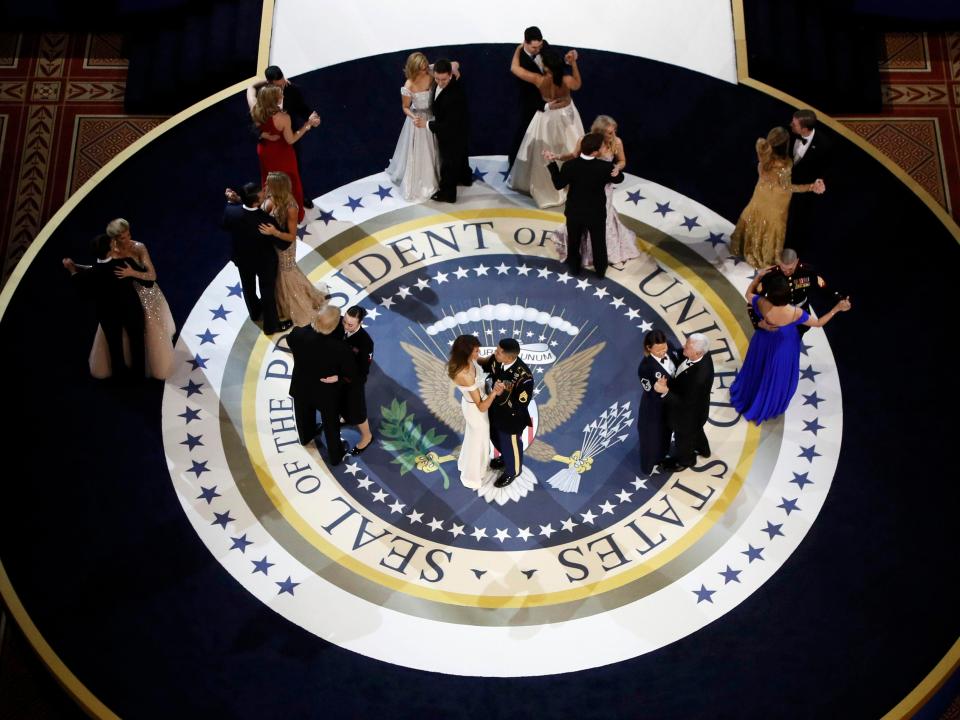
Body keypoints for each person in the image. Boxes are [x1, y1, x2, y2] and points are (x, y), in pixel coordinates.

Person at [730, 272, 851, 424]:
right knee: (775, 375)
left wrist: (759, 276)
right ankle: (767, 404)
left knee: (758, 367)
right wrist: (836, 309)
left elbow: (748, 294)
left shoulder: (762, 303)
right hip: (785, 346)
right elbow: (819, 323)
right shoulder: (795, 312)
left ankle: (749, 396)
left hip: (763, 340)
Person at [729, 126, 824, 269]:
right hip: (776, 203)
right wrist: (810, 187)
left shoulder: (763, 156)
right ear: (786, 145)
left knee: (754, 218)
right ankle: (761, 255)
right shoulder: (785, 165)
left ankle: (744, 248)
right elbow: (788, 187)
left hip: (760, 197)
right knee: (771, 227)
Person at [552, 115, 640, 269]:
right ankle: (582, 253)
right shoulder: (585, 140)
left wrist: (617, 168)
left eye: (614, 131)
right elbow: (573, 156)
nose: (613, 135)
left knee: (602, 221)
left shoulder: (616, 142)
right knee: (580, 220)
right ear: (599, 133)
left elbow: (622, 161)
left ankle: (603, 256)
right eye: (610, 133)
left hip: (603, 189)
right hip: (582, 187)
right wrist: (557, 156)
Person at [507, 44, 583, 208]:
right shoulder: (566, 80)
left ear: (546, 67)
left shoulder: (539, 79)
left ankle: (544, 186)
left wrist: (520, 48)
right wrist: (574, 64)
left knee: (543, 151)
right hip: (567, 117)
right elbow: (577, 85)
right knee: (571, 146)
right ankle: (572, 183)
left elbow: (514, 68)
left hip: (546, 118)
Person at [63, 234, 146, 381]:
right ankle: (138, 375)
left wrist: (72, 269)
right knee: (137, 343)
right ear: (110, 249)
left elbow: (82, 289)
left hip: (107, 315)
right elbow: (148, 282)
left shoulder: (91, 273)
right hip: (131, 310)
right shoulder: (124, 263)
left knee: (115, 348)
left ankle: (121, 378)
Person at [545, 132, 626, 278]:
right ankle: (600, 271)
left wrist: (552, 164)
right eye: (601, 147)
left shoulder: (569, 166)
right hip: (596, 214)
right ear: (595, 152)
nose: (603, 148)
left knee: (574, 241)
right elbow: (619, 179)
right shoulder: (605, 167)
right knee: (599, 242)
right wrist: (617, 171)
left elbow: (558, 184)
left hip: (575, 213)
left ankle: (574, 268)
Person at [287, 306, 358, 466]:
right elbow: (351, 373)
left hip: (302, 385)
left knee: (303, 414)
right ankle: (335, 454)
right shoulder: (340, 348)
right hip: (326, 393)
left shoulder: (298, 334)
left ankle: (306, 437)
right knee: (330, 424)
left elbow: (290, 340)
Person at [258, 171, 330, 327]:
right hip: (272, 243)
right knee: (280, 274)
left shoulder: (291, 207)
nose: (265, 185)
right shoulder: (271, 197)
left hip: (285, 246)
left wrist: (274, 232)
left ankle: (293, 307)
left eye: (268, 183)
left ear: (277, 187)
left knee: (286, 273)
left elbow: (291, 236)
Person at [247, 83, 320, 223]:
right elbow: (291, 139)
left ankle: (272, 209)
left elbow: (250, 88)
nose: (283, 96)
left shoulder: (254, 107)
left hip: (264, 151)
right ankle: (296, 214)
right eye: (280, 95)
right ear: (273, 100)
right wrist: (307, 125)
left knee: (269, 179)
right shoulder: (283, 118)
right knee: (292, 181)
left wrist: (268, 82)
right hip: (282, 154)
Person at [222, 182, 287, 334]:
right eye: (262, 193)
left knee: (248, 287)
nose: (265, 192)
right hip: (264, 262)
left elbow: (225, 225)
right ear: (257, 202)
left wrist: (232, 202)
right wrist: (276, 233)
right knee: (267, 291)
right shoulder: (266, 220)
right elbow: (283, 244)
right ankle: (271, 326)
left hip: (242, 259)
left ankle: (255, 313)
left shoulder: (230, 211)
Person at [477, 338, 534, 488]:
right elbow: (485, 363)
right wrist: (469, 356)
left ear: (509, 357)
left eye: (498, 352)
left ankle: (513, 470)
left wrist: (501, 394)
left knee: (510, 443)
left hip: (511, 419)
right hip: (495, 410)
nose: (494, 353)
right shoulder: (497, 360)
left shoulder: (524, 377)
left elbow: (520, 405)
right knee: (496, 438)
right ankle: (505, 458)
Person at [448, 335, 504, 489]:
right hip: (476, 410)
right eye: (476, 351)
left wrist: (498, 355)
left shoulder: (466, 361)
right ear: (465, 353)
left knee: (474, 439)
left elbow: (481, 362)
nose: (478, 353)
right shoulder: (464, 375)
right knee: (477, 443)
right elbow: (481, 406)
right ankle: (472, 477)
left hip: (473, 404)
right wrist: (494, 392)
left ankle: (474, 467)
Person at [386, 51, 440, 202]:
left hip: (432, 117)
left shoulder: (431, 75)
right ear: (414, 68)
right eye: (421, 68)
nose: (424, 70)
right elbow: (405, 107)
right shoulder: (408, 85)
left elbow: (450, 65)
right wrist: (413, 117)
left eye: (425, 66)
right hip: (417, 121)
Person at [655, 333, 714, 471]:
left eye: (687, 347)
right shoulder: (703, 354)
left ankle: (685, 461)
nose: (683, 347)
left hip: (688, 417)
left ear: (698, 352)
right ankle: (704, 449)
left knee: (683, 441)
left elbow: (684, 403)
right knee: (697, 431)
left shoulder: (699, 378)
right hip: (698, 412)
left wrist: (664, 391)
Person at [750, 247, 837, 337]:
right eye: (783, 269)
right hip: (778, 317)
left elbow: (823, 288)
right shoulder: (770, 275)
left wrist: (838, 298)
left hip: (800, 317)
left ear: (797, 261)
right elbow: (753, 300)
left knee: (795, 340)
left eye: (790, 269)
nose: (787, 272)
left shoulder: (807, 272)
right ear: (779, 262)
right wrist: (758, 323)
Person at [427, 58, 472, 203]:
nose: (440, 83)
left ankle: (448, 194)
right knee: (460, 156)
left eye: (444, 79)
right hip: (460, 128)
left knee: (448, 162)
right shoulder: (445, 73)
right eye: (437, 79)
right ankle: (465, 178)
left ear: (451, 75)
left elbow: (448, 126)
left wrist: (427, 125)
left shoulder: (454, 96)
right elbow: (454, 63)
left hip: (452, 132)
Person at [787, 109, 830, 252]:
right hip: (785, 184)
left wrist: (821, 181)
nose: (790, 125)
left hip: (804, 190)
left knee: (798, 221)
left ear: (804, 129)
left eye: (794, 124)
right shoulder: (789, 133)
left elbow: (826, 167)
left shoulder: (823, 144)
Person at [637, 329, 679, 475]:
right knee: (651, 438)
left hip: (671, 403)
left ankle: (662, 455)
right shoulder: (645, 368)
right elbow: (649, 391)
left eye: (664, 348)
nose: (663, 351)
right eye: (658, 349)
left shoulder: (671, 347)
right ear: (649, 348)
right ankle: (647, 465)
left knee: (667, 433)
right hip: (655, 408)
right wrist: (657, 388)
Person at [509, 26, 546, 170]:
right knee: (525, 132)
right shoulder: (520, 61)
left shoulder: (544, 47)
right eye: (534, 47)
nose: (538, 50)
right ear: (525, 42)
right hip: (530, 102)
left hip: (546, 100)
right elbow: (514, 69)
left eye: (540, 46)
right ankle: (514, 164)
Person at [340, 306, 375, 455]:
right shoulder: (340, 327)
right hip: (338, 377)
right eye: (345, 321)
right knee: (340, 402)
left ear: (360, 322)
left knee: (358, 410)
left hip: (354, 382)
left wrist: (348, 380)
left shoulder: (366, 342)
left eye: (350, 325)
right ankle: (346, 417)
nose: (346, 326)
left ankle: (367, 437)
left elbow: (363, 371)